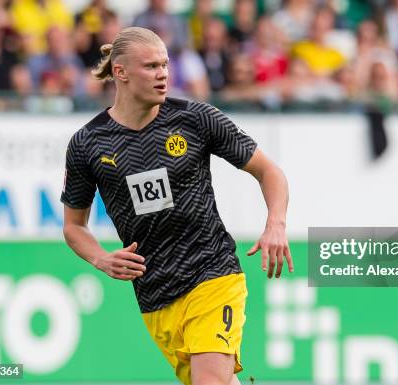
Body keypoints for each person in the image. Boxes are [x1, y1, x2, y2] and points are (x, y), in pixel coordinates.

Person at [60, 27, 293, 385]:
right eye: (151, 66)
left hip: (212, 273)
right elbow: (74, 225)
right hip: (155, 294)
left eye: (165, 65)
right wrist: (100, 257)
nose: (163, 74)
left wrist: (275, 223)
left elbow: (269, 171)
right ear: (120, 72)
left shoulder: (195, 119)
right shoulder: (88, 143)